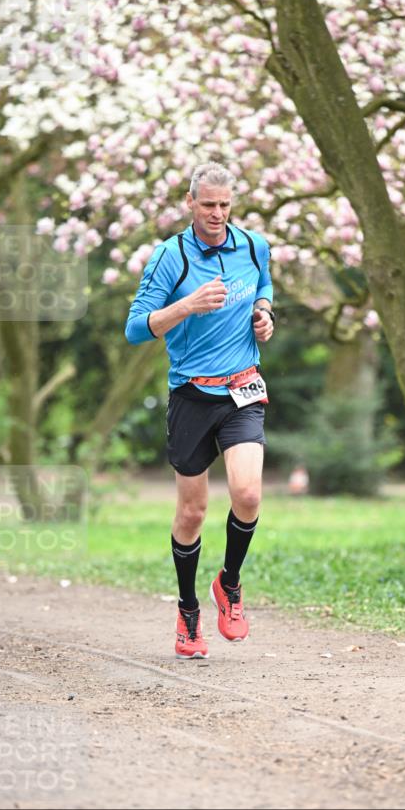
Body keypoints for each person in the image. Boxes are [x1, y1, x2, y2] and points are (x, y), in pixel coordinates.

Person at [124, 163, 275, 660]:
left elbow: (264, 286)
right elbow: (137, 327)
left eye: (225, 205)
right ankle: (188, 611)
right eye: (208, 205)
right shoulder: (171, 257)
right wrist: (186, 305)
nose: (217, 214)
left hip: (241, 388)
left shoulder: (253, 245)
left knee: (248, 493)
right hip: (191, 394)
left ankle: (228, 585)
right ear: (190, 203)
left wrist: (265, 315)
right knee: (192, 512)